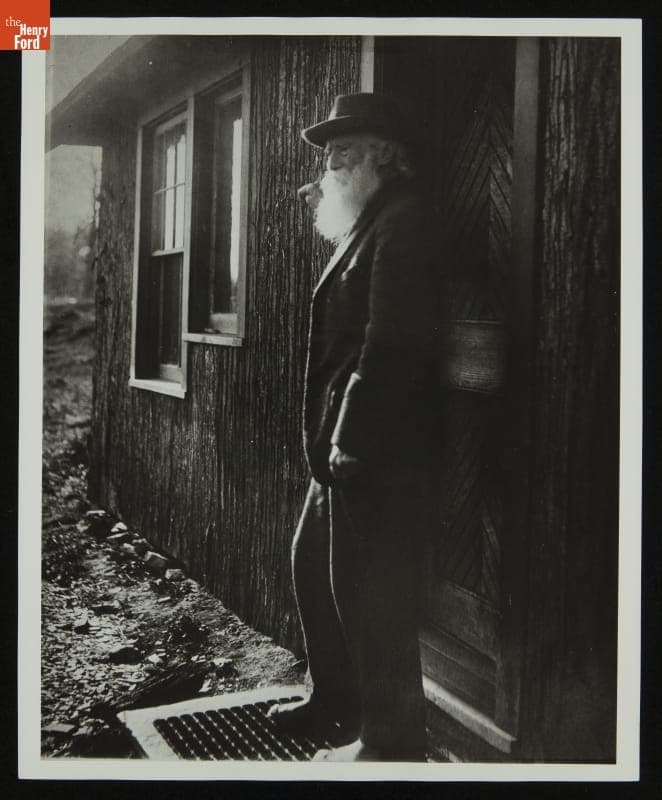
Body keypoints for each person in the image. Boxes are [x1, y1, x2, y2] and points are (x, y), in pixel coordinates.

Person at [269, 93, 442, 762]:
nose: (330, 163)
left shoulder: (404, 220)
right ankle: (335, 699)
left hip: (375, 444)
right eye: (330, 152)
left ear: (383, 154)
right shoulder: (369, 221)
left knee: (373, 596)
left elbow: (392, 341)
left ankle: (390, 745)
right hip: (340, 441)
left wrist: (350, 435)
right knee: (314, 568)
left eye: (343, 150)